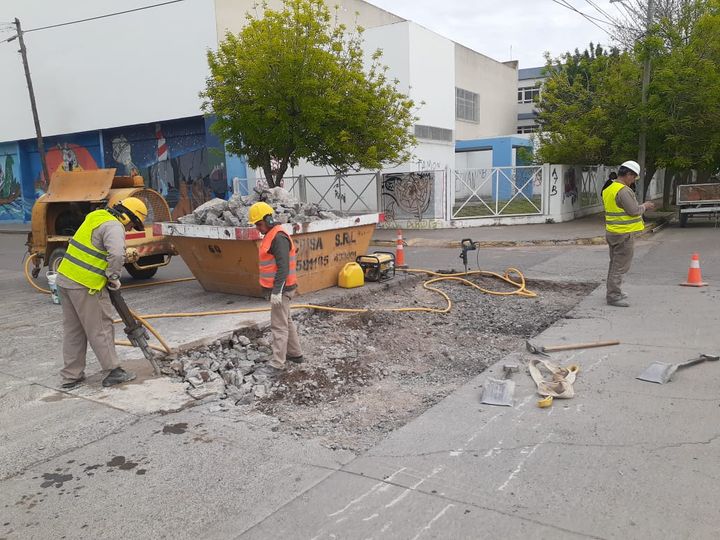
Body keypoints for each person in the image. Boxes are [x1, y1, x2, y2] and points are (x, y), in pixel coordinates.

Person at [56, 197, 148, 388]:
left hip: (65, 279)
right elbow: (116, 254)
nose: (130, 228)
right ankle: (113, 371)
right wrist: (113, 276)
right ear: (127, 216)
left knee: (74, 331)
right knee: (101, 328)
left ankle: (71, 376)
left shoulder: (96, 216)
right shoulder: (114, 226)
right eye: (133, 224)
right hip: (86, 285)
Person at [247, 201, 303, 379]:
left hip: (282, 289)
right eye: (256, 225)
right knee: (286, 321)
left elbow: (283, 268)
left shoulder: (278, 237)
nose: (258, 228)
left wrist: (277, 291)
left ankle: (277, 364)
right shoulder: (271, 234)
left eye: (259, 224)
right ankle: (295, 354)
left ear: (269, 219)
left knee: (278, 326)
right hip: (281, 288)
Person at [602, 160, 655, 307]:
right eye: (634, 177)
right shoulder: (623, 190)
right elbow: (633, 211)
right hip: (623, 235)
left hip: (613, 232)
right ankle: (613, 296)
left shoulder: (609, 188)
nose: (634, 180)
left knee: (614, 264)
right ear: (628, 174)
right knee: (619, 266)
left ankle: (613, 291)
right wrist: (645, 206)